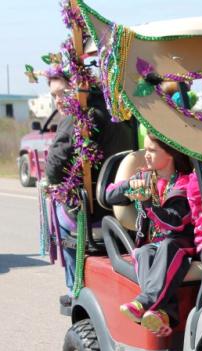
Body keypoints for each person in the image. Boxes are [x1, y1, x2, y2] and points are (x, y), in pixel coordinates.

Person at [46, 72, 135, 307]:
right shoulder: (121, 114)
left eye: (63, 93)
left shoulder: (79, 117)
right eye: (54, 95)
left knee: (56, 208)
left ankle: (74, 288)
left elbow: (53, 167)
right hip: (121, 202)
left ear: (77, 88)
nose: (58, 100)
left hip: (93, 210)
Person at [105, 133, 194, 336]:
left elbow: (174, 223)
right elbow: (108, 194)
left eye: (152, 151)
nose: (146, 155)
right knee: (143, 252)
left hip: (180, 243)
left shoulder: (185, 184)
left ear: (170, 154)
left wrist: (147, 203)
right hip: (153, 243)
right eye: (146, 150)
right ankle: (163, 315)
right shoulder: (144, 176)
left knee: (168, 246)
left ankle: (144, 303)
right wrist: (129, 186)